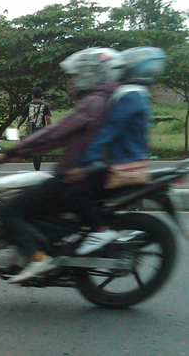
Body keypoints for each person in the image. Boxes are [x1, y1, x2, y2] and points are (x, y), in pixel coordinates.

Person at [0, 47, 125, 283]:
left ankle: (38, 259)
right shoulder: (102, 101)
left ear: (91, 74)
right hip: (84, 172)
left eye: (77, 74)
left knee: (7, 211)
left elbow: (55, 133)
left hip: (74, 177)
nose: (73, 79)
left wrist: (11, 153)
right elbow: (55, 133)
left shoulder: (92, 103)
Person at [67, 46, 165, 255]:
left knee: (70, 189)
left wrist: (82, 163)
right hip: (126, 161)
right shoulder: (137, 94)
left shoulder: (129, 96)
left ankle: (99, 231)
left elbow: (107, 133)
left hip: (121, 165)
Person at [17, 87, 52, 170]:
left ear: (32, 96)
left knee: (33, 148)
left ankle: (36, 167)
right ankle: (38, 164)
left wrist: (18, 126)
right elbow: (48, 119)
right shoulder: (45, 106)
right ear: (41, 96)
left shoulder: (28, 105)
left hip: (31, 130)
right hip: (41, 129)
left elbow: (23, 118)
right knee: (40, 147)